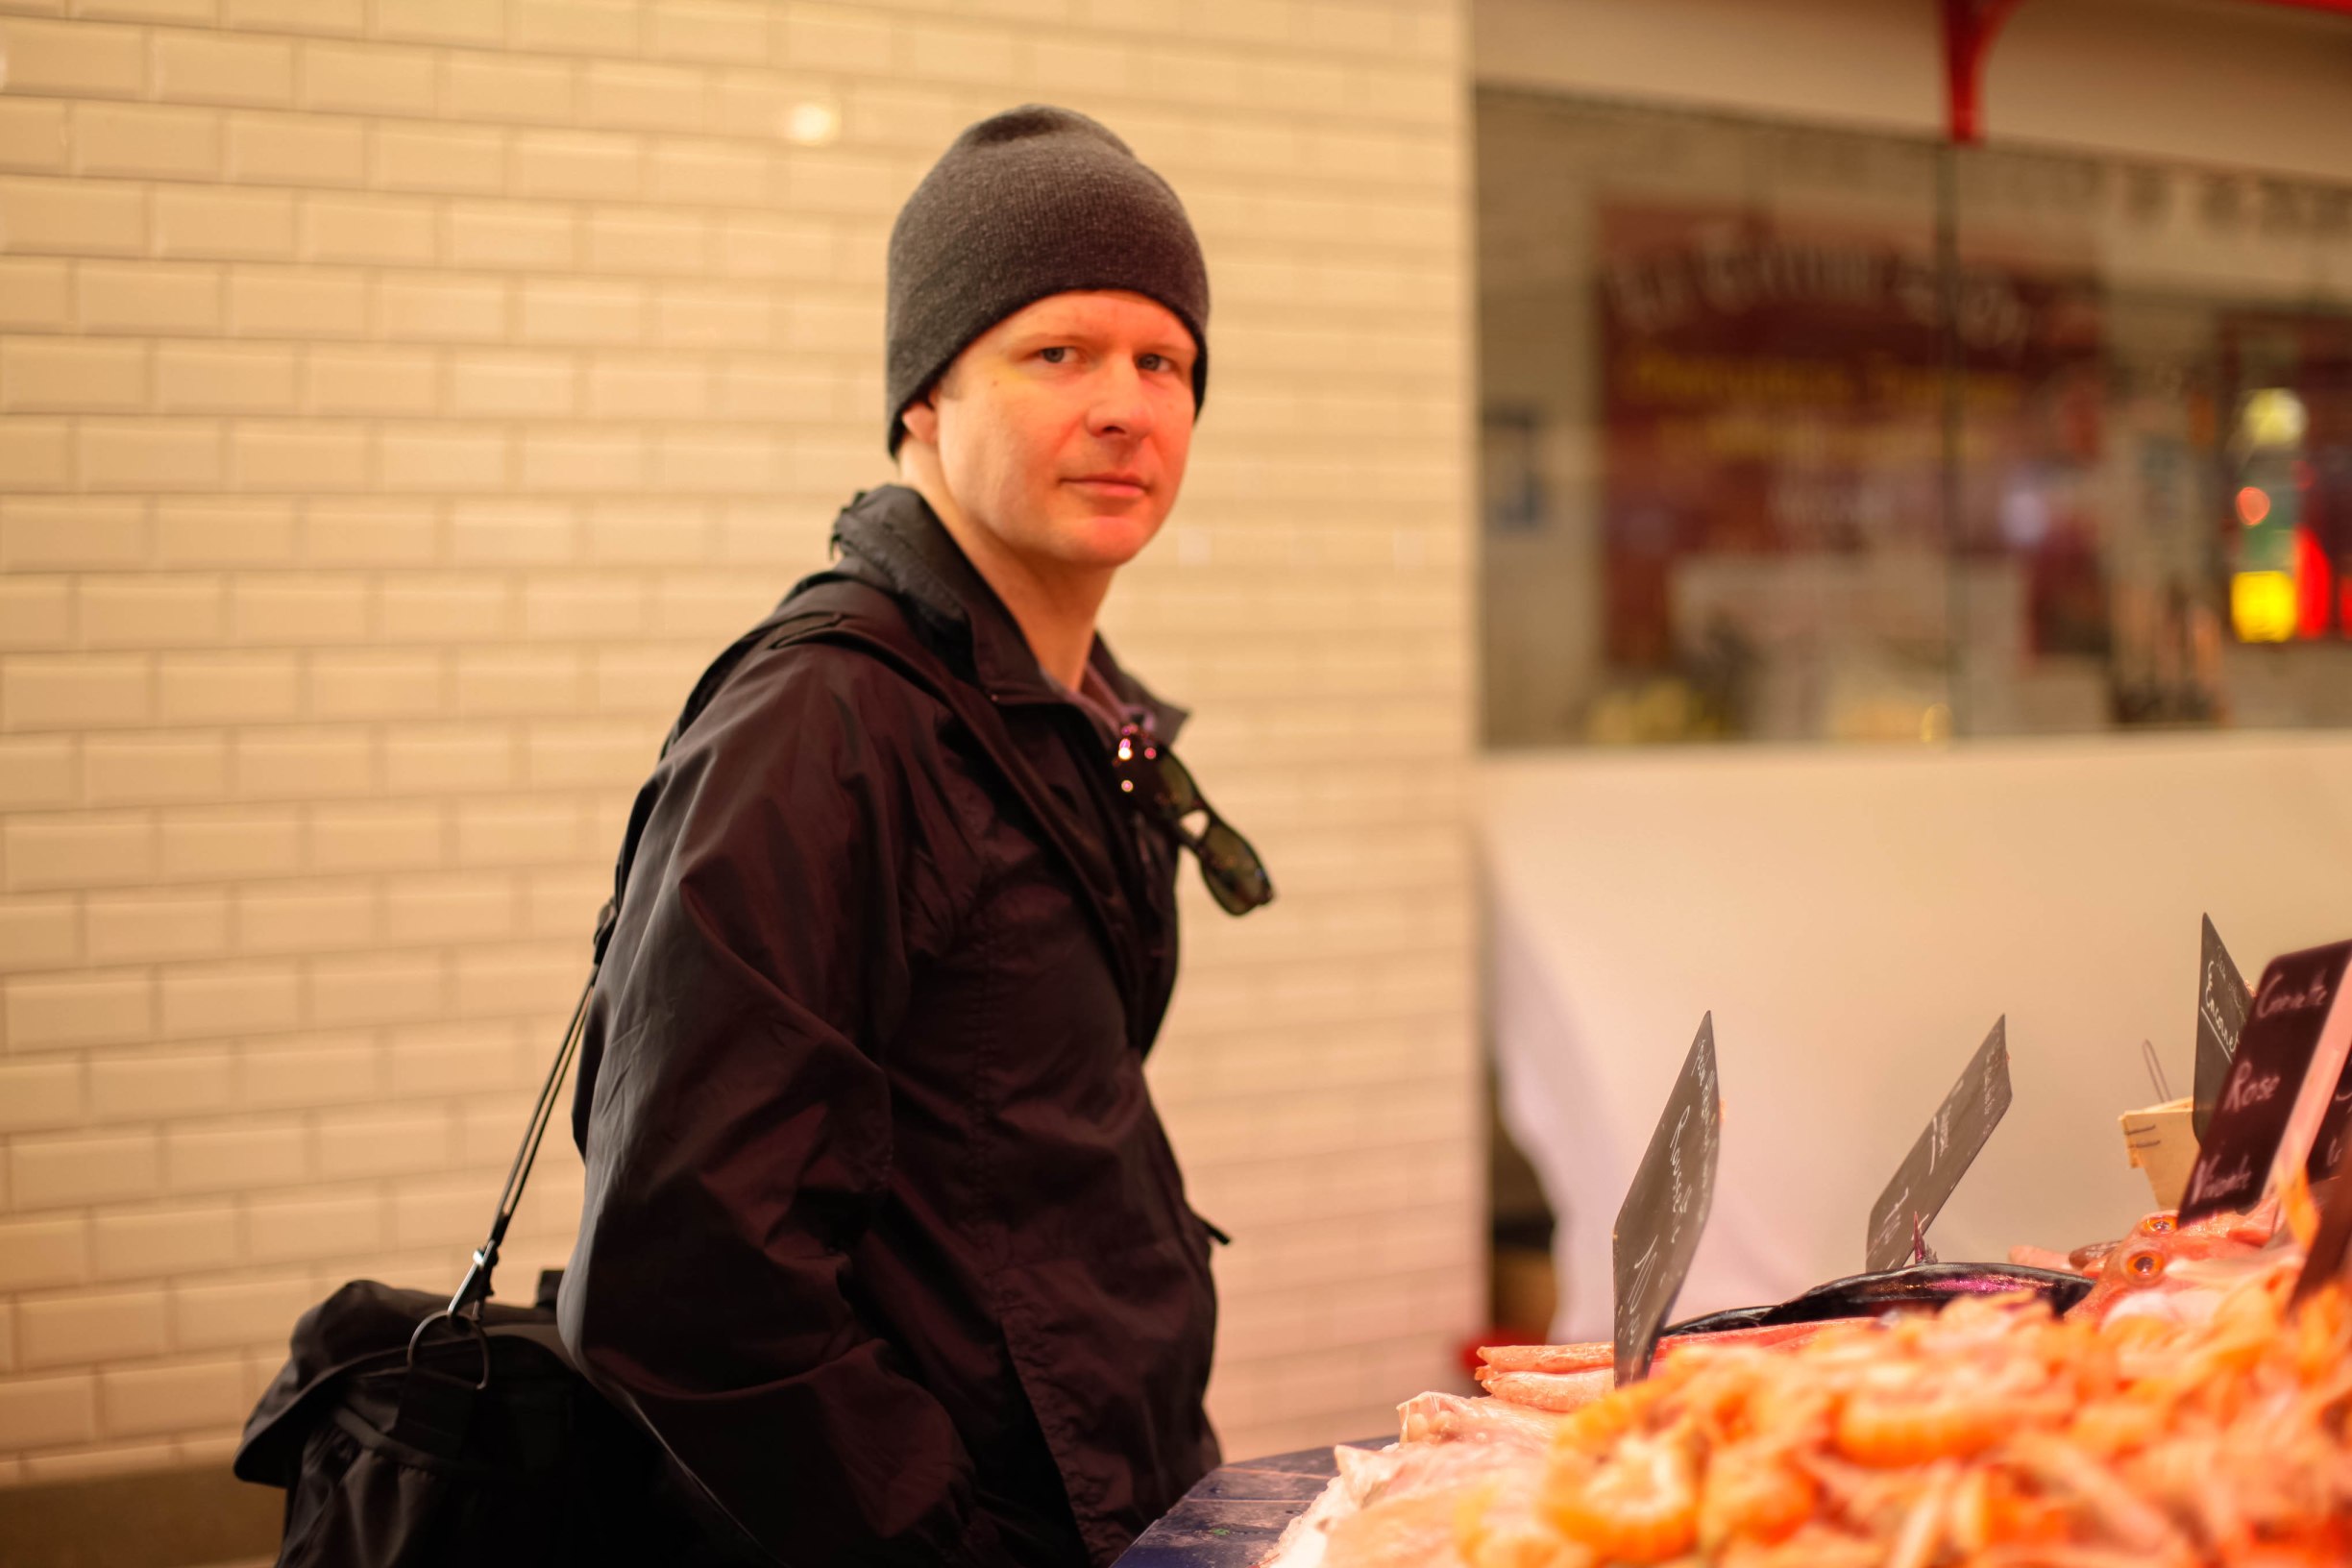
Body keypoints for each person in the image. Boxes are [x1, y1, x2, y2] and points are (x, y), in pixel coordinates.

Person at [556, 105, 1273, 1568]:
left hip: (1120, 1506)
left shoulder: (1067, 714)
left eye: (1165, 360)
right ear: (923, 403)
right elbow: (679, 1275)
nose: (1128, 404)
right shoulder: (822, 728)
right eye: (1056, 353)